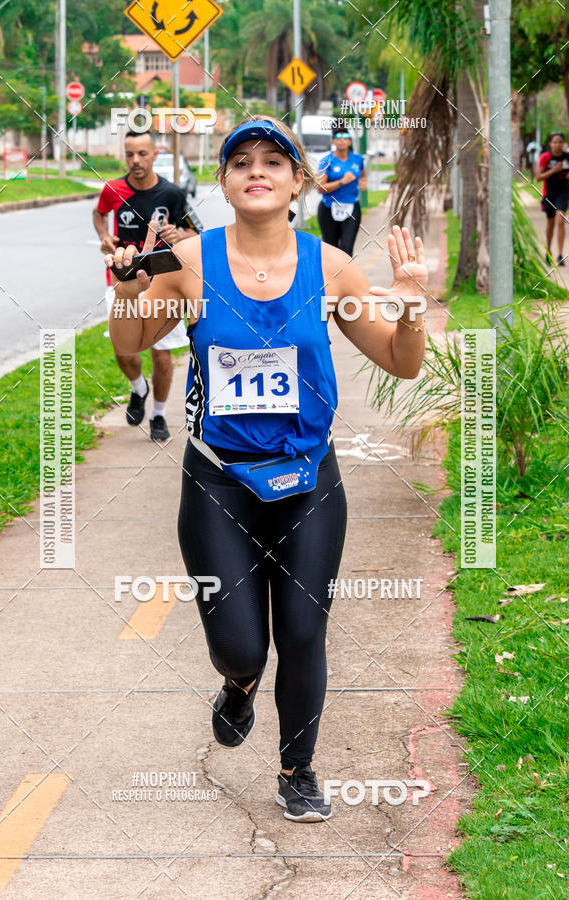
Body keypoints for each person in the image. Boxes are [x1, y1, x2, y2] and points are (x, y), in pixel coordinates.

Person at [107, 116, 427, 822]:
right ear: (222, 183)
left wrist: (410, 311)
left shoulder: (332, 268)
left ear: (295, 183)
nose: (257, 170)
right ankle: (240, 683)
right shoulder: (186, 259)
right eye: (241, 161)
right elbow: (131, 340)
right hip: (219, 479)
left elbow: (403, 364)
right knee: (241, 645)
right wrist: (126, 284)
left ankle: (297, 770)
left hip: (309, 477)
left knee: (305, 633)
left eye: (274, 162)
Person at [93, 129, 200, 440]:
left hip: (161, 283)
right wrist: (104, 236)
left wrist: (180, 236)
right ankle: (139, 388)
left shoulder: (172, 194)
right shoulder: (113, 189)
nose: (136, 160)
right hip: (122, 280)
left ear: (155, 155)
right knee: (123, 349)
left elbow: (197, 233)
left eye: (142, 153)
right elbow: (99, 214)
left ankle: (159, 414)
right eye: (130, 154)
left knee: (161, 353)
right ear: (124, 156)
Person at [316, 128, 368, 256]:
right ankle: (330, 275)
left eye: (345, 138)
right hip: (329, 208)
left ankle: (344, 275)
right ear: (333, 142)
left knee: (346, 248)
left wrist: (363, 182)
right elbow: (319, 188)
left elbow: (362, 175)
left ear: (350, 142)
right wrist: (342, 181)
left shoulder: (357, 159)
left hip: (351, 207)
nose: (342, 140)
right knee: (330, 249)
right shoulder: (326, 160)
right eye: (338, 138)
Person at [536, 132, 569, 267]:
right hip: (549, 194)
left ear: (563, 144)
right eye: (555, 142)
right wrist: (555, 170)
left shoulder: (567, 157)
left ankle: (560, 255)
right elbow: (538, 177)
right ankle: (548, 250)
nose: (558, 144)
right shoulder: (546, 157)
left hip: (564, 193)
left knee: (560, 219)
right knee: (550, 224)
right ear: (550, 144)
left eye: (560, 142)